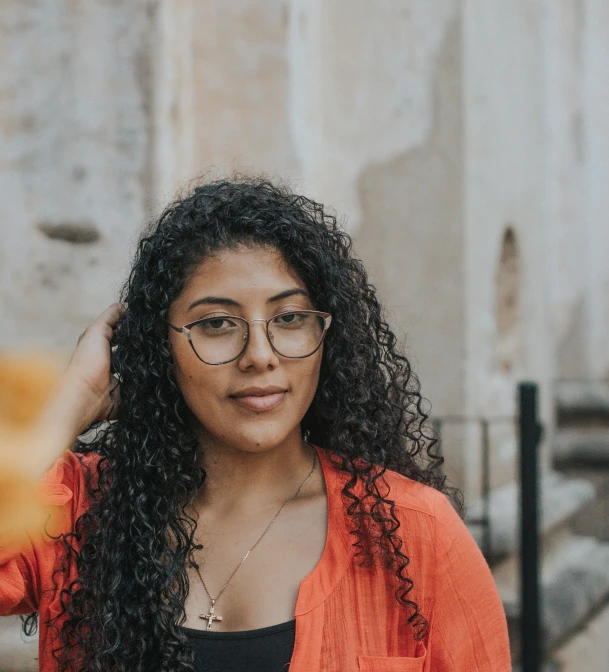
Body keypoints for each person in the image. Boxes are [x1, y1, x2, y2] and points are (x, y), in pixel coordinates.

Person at [0, 177, 511, 671]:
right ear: (160, 345)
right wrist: (69, 404)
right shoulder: (82, 510)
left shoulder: (411, 531)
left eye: (289, 318)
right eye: (217, 323)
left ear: (326, 332)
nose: (260, 356)